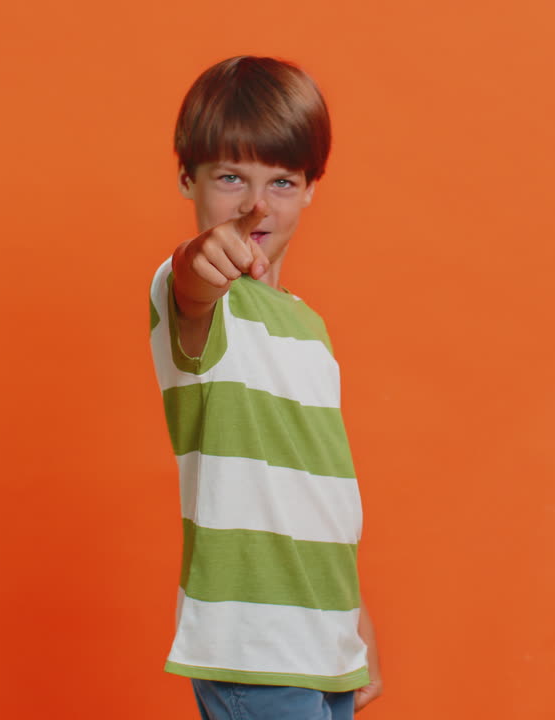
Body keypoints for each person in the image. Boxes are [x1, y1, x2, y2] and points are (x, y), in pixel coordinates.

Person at [147, 55, 383, 720]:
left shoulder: (311, 330)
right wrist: (202, 257)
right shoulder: (192, 297)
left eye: (282, 181)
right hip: (253, 646)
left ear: (310, 187)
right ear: (186, 176)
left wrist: (355, 620)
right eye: (230, 178)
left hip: (323, 641)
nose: (256, 205)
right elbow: (191, 278)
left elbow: (316, 493)